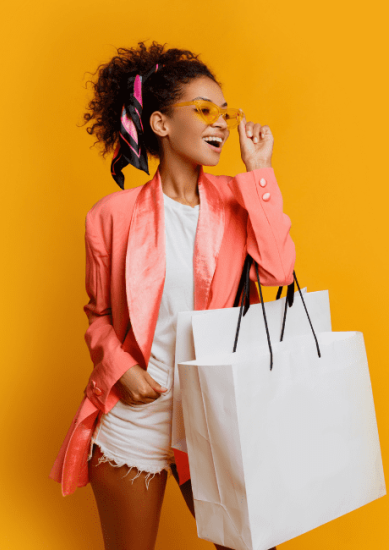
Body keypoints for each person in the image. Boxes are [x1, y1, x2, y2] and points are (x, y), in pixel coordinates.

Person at [49, 40, 295, 550]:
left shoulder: (238, 200)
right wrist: (120, 369)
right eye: (204, 110)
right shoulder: (110, 216)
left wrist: (259, 172)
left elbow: (278, 269)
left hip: (213, 412)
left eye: (224, 112)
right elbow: (99, 316)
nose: (221, 124)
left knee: (252, 543)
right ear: (160, 124)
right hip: (135, 415)